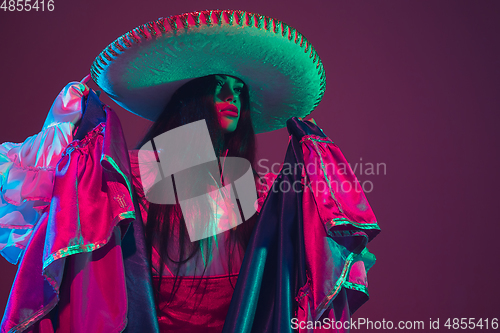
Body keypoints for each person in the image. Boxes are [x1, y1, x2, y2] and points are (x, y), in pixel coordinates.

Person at [0, 10, 380, 333]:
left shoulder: (255, 189)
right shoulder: (135, 173)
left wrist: (316, 155)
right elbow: (57, 209)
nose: (232, 97)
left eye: (239, 91)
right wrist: (75, 118)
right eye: (218, 88)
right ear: (191, 98)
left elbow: (295, 257)